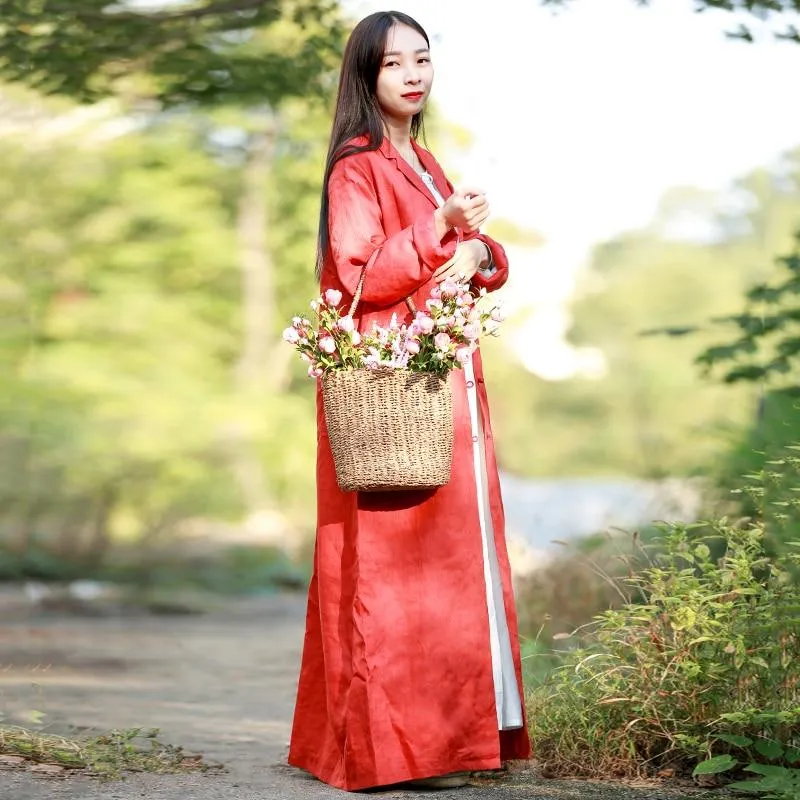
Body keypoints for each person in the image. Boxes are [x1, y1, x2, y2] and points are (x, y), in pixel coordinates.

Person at [287, 10, 532, 792]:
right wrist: (439, 231)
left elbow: (475, 257)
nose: (413, 74)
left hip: (446, 385)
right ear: (366, 76)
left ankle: (456, 742)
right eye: (395, 64)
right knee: (395, 573)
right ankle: (397, 751)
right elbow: (355, 278)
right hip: (394, 387)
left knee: (453, 571)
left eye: (422, 59)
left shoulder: (424, 160)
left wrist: (475, 248)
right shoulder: (356, 167)